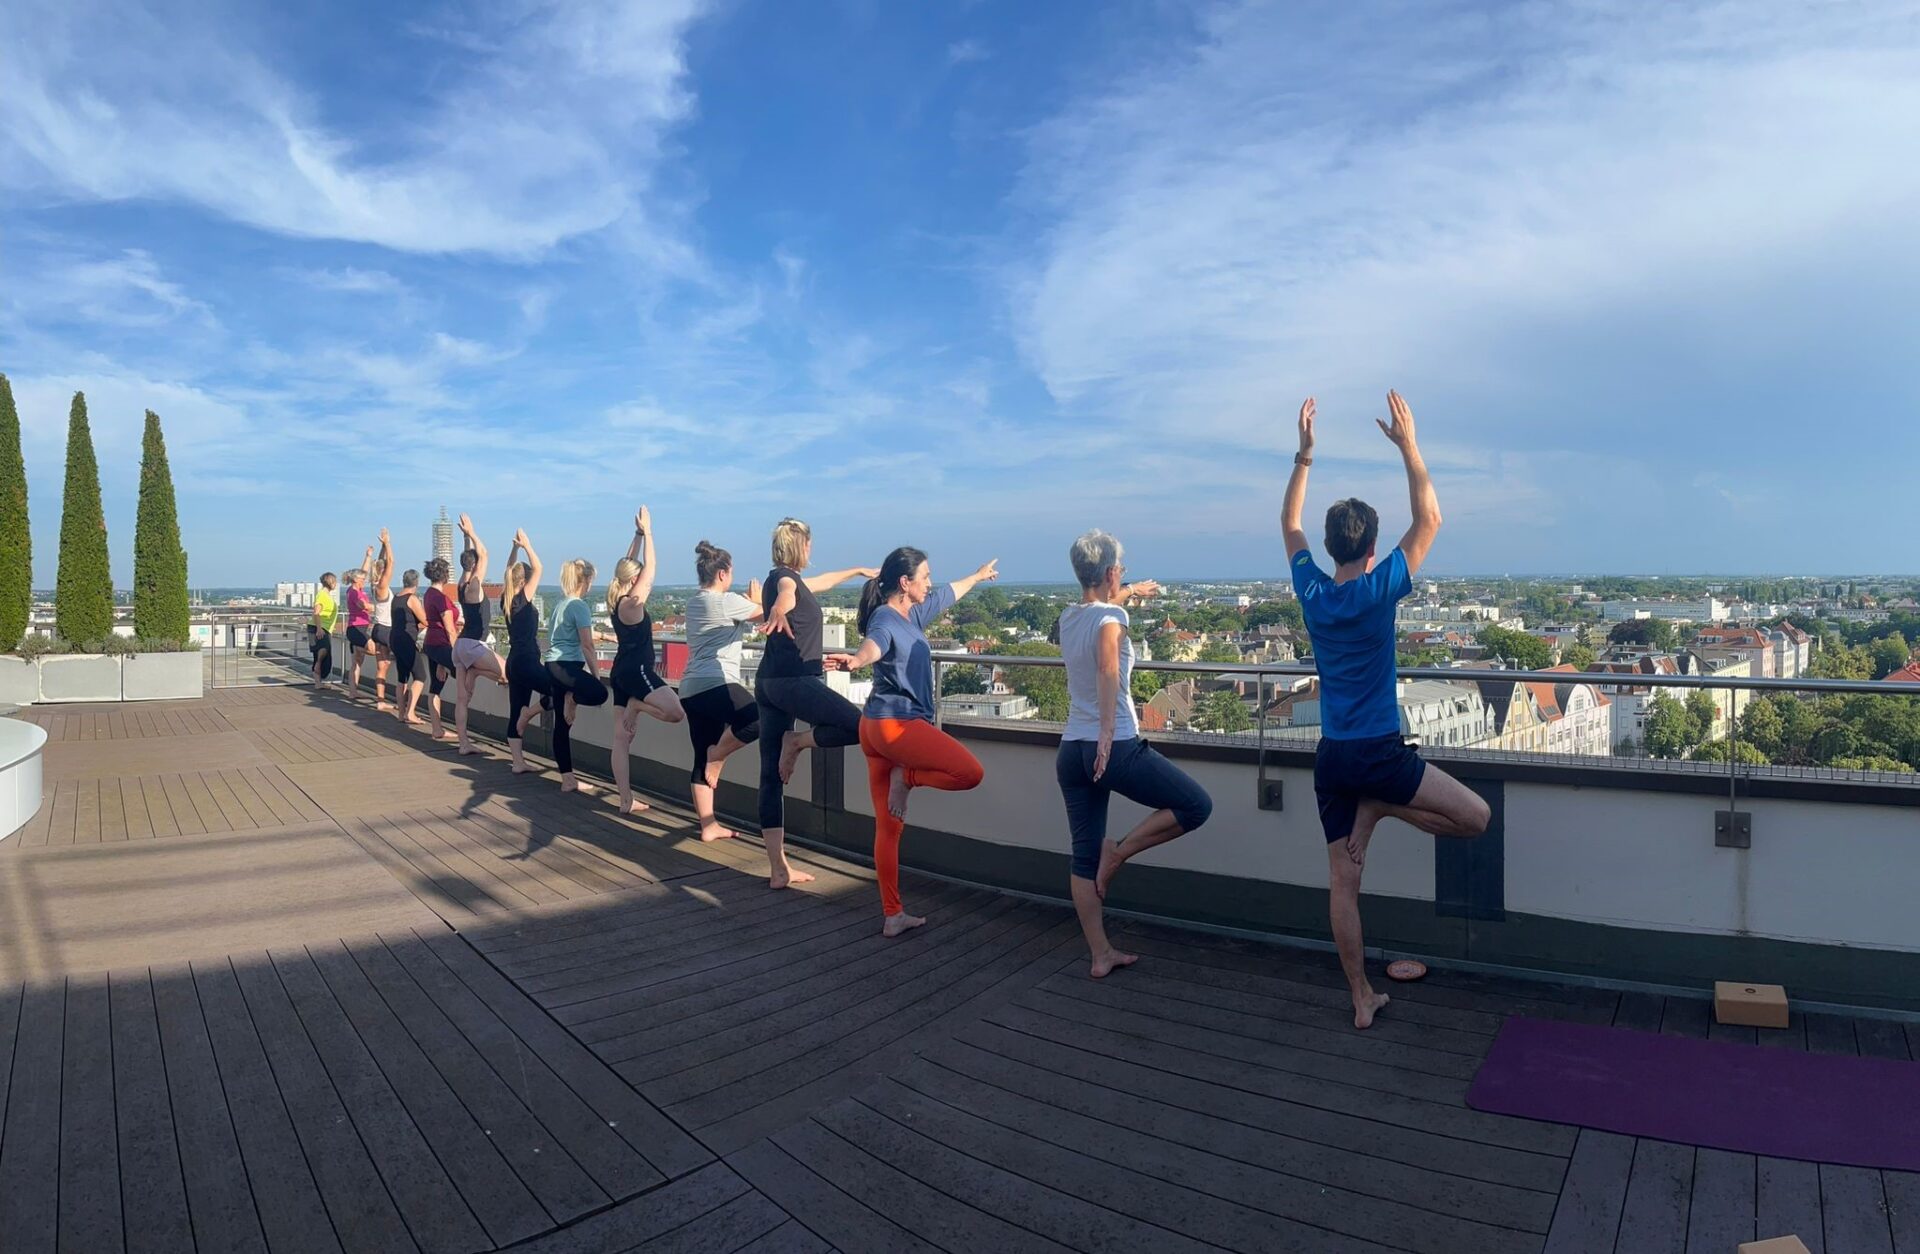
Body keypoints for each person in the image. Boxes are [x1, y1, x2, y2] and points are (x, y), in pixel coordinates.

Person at [1283, 392, 1491, 1029]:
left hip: (1333, 760)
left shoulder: (1313, 590)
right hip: (1378, 755)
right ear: (1372, 547)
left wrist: (1305, 454)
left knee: (1344, 886)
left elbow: (1288, 526)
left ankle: (1360, 998)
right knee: (1476, 819)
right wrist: (1408, 444)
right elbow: (1430, 519)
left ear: (1330, 546)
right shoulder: (1379, 588)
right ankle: (1389, 805)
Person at [1054, 530, 1213, 978]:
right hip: (1115, 746)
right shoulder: (1112, 618)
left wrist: (1131, 590)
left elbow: (1101, 607)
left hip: (1071, 751)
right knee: (1195, 805)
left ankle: (1100, 954)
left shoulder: (1070, 616)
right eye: (1120, 570)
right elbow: (1107, 666)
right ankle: (1119, 854)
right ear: (1109, 572)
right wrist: (1107, 733)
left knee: (1081, 857)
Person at [843, 547, 998, 935]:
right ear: (904, 583)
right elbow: (873, 645)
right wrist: (857, 661)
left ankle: (892, 914)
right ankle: (907, 778)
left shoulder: (914, 613)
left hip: (875, 729)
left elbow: (948, 593)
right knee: (969, 772)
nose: (930, 583)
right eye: (924, 577)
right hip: (897, 727)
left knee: (888, 826)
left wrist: (977, 577)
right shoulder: (885, 617)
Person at [755, 518, 877, 889]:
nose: (812, 551)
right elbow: (788, 591)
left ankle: (779, 869)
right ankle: (799, 742)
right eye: (809, 545)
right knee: (857, 726)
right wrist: (780, 606)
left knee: (770, 777)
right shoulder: (783, 580)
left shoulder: (792, 578)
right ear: (800, 546)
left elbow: (818, 581)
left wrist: (856, 570)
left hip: (769, 682)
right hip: (792, 682)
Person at [680, 540, 764, 842]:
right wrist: (756, 600)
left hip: (690, 688)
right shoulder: (726, 601)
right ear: (722, 574)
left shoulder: (693, 603)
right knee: (757, 719)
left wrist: (750, 605)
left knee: (699, 754)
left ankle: (708, 825)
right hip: (717, 683)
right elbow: (769, 615)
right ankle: (717, 755)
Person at [605, 506, 686, 815]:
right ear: (635, 578)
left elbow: (628, 566)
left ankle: (626, 801)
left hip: (620, 671)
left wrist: (637, 535)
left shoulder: (615, 600)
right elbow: (650, 569)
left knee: (620, 738)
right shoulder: (632, 603)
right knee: (676, 712)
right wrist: (650, 531)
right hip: (637, 671)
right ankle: (638, 705)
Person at [542, 556, 610, 792]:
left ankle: (567, 779)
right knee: (599, 694)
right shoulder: (579, 606)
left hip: (554, 666)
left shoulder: (561, 604)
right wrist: (596, 676)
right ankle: (572, 698)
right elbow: (587, 645)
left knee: (562, 724)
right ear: (587, 581)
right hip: (566, 666)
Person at [453, 514, 509, 756]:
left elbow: (470, 559)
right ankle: (477, 670)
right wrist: (473, 532)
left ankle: (463, 743)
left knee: (462, 699)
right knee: (508, 673)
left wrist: (466, 538)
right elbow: (483, 554)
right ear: (475, 566)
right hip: (474, 645)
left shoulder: (462, 582)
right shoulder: (475, 584)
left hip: (460, 646)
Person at [503, 530, 553, 774]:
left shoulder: (507, 597)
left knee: (515, 709)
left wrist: (515, 549)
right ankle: (529, 714)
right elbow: (539, 567)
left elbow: (508, 570)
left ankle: (518, 762)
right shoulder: (521, 599)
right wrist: (527, 546)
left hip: (513, 662)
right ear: (524, 582)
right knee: (560, 691)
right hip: (527, 661)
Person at [420, 557, 461, 742]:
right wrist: (457, 653)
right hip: (442, 644)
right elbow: (450, 629)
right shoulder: (441, 598)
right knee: (465, 678)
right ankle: (463, 735)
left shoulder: (428, 594)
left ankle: (437, 729)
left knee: (436, 687)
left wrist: (441, 662)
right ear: (445, 575)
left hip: (432, 645)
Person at [390, 569, 428, 726]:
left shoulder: (396, 597)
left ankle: (401, 713)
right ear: (416, 583)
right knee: (420, 676)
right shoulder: (412, 599)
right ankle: (410, 712)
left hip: (395, 638)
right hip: (406, 640)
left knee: (402, 678)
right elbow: (426, 620)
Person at [369, 530, 397, 710]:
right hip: (386, 628)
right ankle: (402, 701)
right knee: (390, 664)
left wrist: (382, 547)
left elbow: (380, 563)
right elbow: (391, 563)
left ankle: (380, 701)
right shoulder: (382, 586)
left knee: (382, 665)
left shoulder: (373, 584)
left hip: (377, 629)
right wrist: (388, 544)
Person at [342, 561, 374, 700]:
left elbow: (363, 571)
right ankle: (359, 648)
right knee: (372, 649)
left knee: (356, 662)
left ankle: (353, 691)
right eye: (362, 580)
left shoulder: (357, 590)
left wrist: (368, 556)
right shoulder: (354, 592)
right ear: (356, 580)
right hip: (356, 628)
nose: (364, 581)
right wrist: (379, 607)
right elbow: (363, 606)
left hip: (360, 627)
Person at [308, 572, 339, 687]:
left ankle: (318, 682)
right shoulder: (322, 595)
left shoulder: (326, 595)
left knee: (319, 653)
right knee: (323, 650)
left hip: (322, 627)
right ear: (331, 582)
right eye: (335, 582)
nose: (336, 584)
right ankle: (318, 667)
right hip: (319, 627)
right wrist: (319, 629)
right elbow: (316, 612)